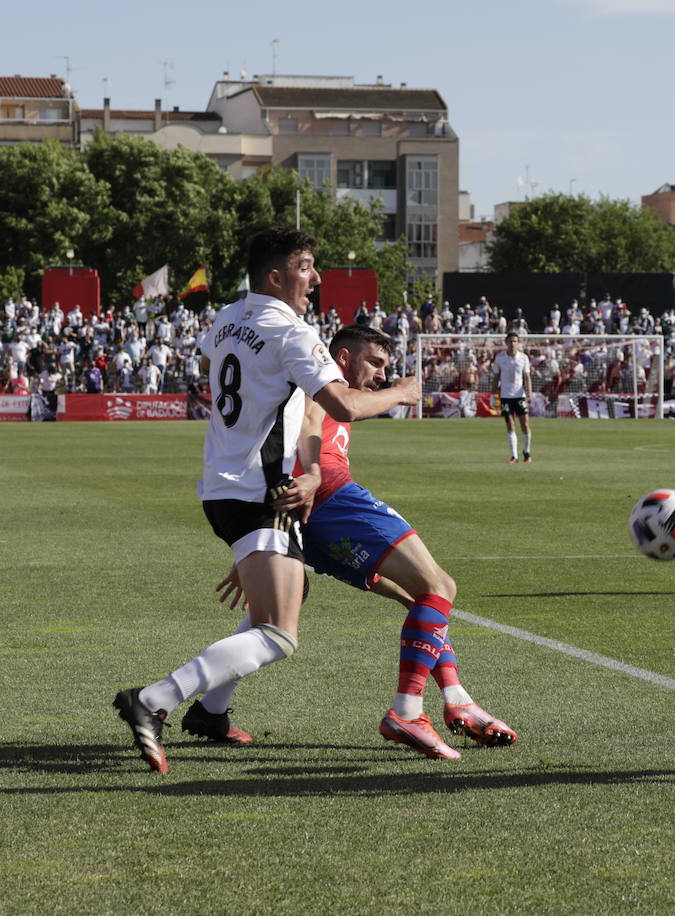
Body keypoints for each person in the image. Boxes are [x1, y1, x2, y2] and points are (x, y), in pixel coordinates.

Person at [111, 226, 421, 774]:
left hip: (222, 485)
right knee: (277, 633)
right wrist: (401, 392)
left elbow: (266, 394)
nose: (316, 278)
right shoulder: (294, 334)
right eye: (306, 266)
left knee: (287, 591)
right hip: (261, 492)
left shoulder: (227, 317)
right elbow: (342, 405)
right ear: (276, 276)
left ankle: (211, 712)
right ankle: (155, 700)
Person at [213, 325, 517, 759]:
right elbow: (333, 416)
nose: (380, 375)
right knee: (440, 587)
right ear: (341, 357)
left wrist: (264, 541)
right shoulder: (322, 384)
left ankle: (457, 700)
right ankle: (407, 712)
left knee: (424, 601)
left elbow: (290, 453)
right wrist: (402, 393)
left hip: (304, 518)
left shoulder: (310, 386)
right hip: (333, 497)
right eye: (374, 362)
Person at [492, 331, 533, 463]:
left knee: (525, 425)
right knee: (510, 424)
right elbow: (496, 377)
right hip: (505, 395)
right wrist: (493, 395)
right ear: (506, 343)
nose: (512, 344)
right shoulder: (500, 358)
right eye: (510, 341)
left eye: (515, 341)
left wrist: (529, 393)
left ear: (518, 343)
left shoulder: (523, 358)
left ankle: (526, 452)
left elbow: (527, 377)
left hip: (519, 395)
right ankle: (514, 456)